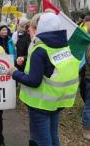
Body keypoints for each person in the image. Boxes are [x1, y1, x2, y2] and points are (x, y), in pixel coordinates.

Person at [9, 13, 80, 146]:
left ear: (40, 28)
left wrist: (14, 73)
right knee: (53, 135)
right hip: (57, 100)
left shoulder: (40, 49)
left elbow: (33, 81)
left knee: (43, 139)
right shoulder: (63, 46)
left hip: (39, 103)